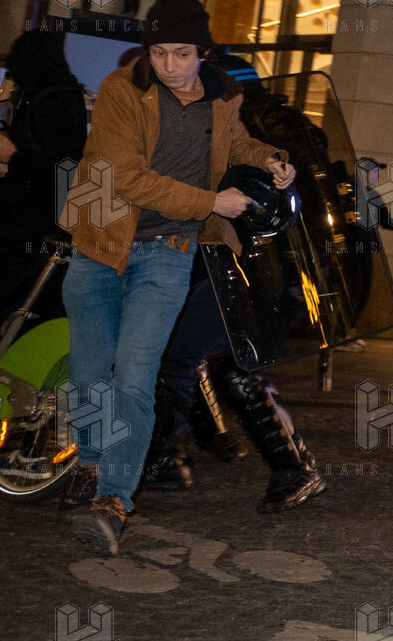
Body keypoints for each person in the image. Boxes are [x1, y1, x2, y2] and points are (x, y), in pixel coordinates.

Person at [58, 0, 294, 556]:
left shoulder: (224, 94)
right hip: (101, 244)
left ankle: (113, 501)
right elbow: (124, 175)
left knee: (135, 377)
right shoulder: (122, 91)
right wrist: (213, 202)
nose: (169, 65)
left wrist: (268, 157)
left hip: (168, 249)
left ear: (202, 54)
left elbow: (232, 142)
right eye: (159, 52)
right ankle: (90, 461)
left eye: (182, 54)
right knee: (89, 375)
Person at [133, 53, 325, 514]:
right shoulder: (271, 127)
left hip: (255, 270)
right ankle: (178, 453)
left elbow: (265, 207)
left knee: (212, 359)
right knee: (206, 357)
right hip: (242, 267)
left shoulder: (258, 133)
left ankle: (292, 466)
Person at [0, 31, 87, 395]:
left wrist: (14, 157)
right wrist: (11, 163)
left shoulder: (54, 98)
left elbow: (65, 168)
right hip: (31, 225)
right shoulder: (54, 93)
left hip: (26, 230)